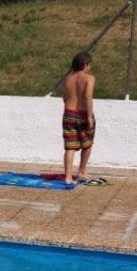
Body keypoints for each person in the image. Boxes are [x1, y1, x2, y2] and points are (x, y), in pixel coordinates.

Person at [62, 51, 96, 184]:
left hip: (69, 113)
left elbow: (65, 98)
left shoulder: (68, 78)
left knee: (70, 147)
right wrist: (89, 116)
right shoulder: (89, 78)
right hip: (83, 114)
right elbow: (88, 96)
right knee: (87, 144)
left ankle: (68, 177)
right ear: (85, 65)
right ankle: (81, 172)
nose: (90, 67)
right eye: (89, 65)